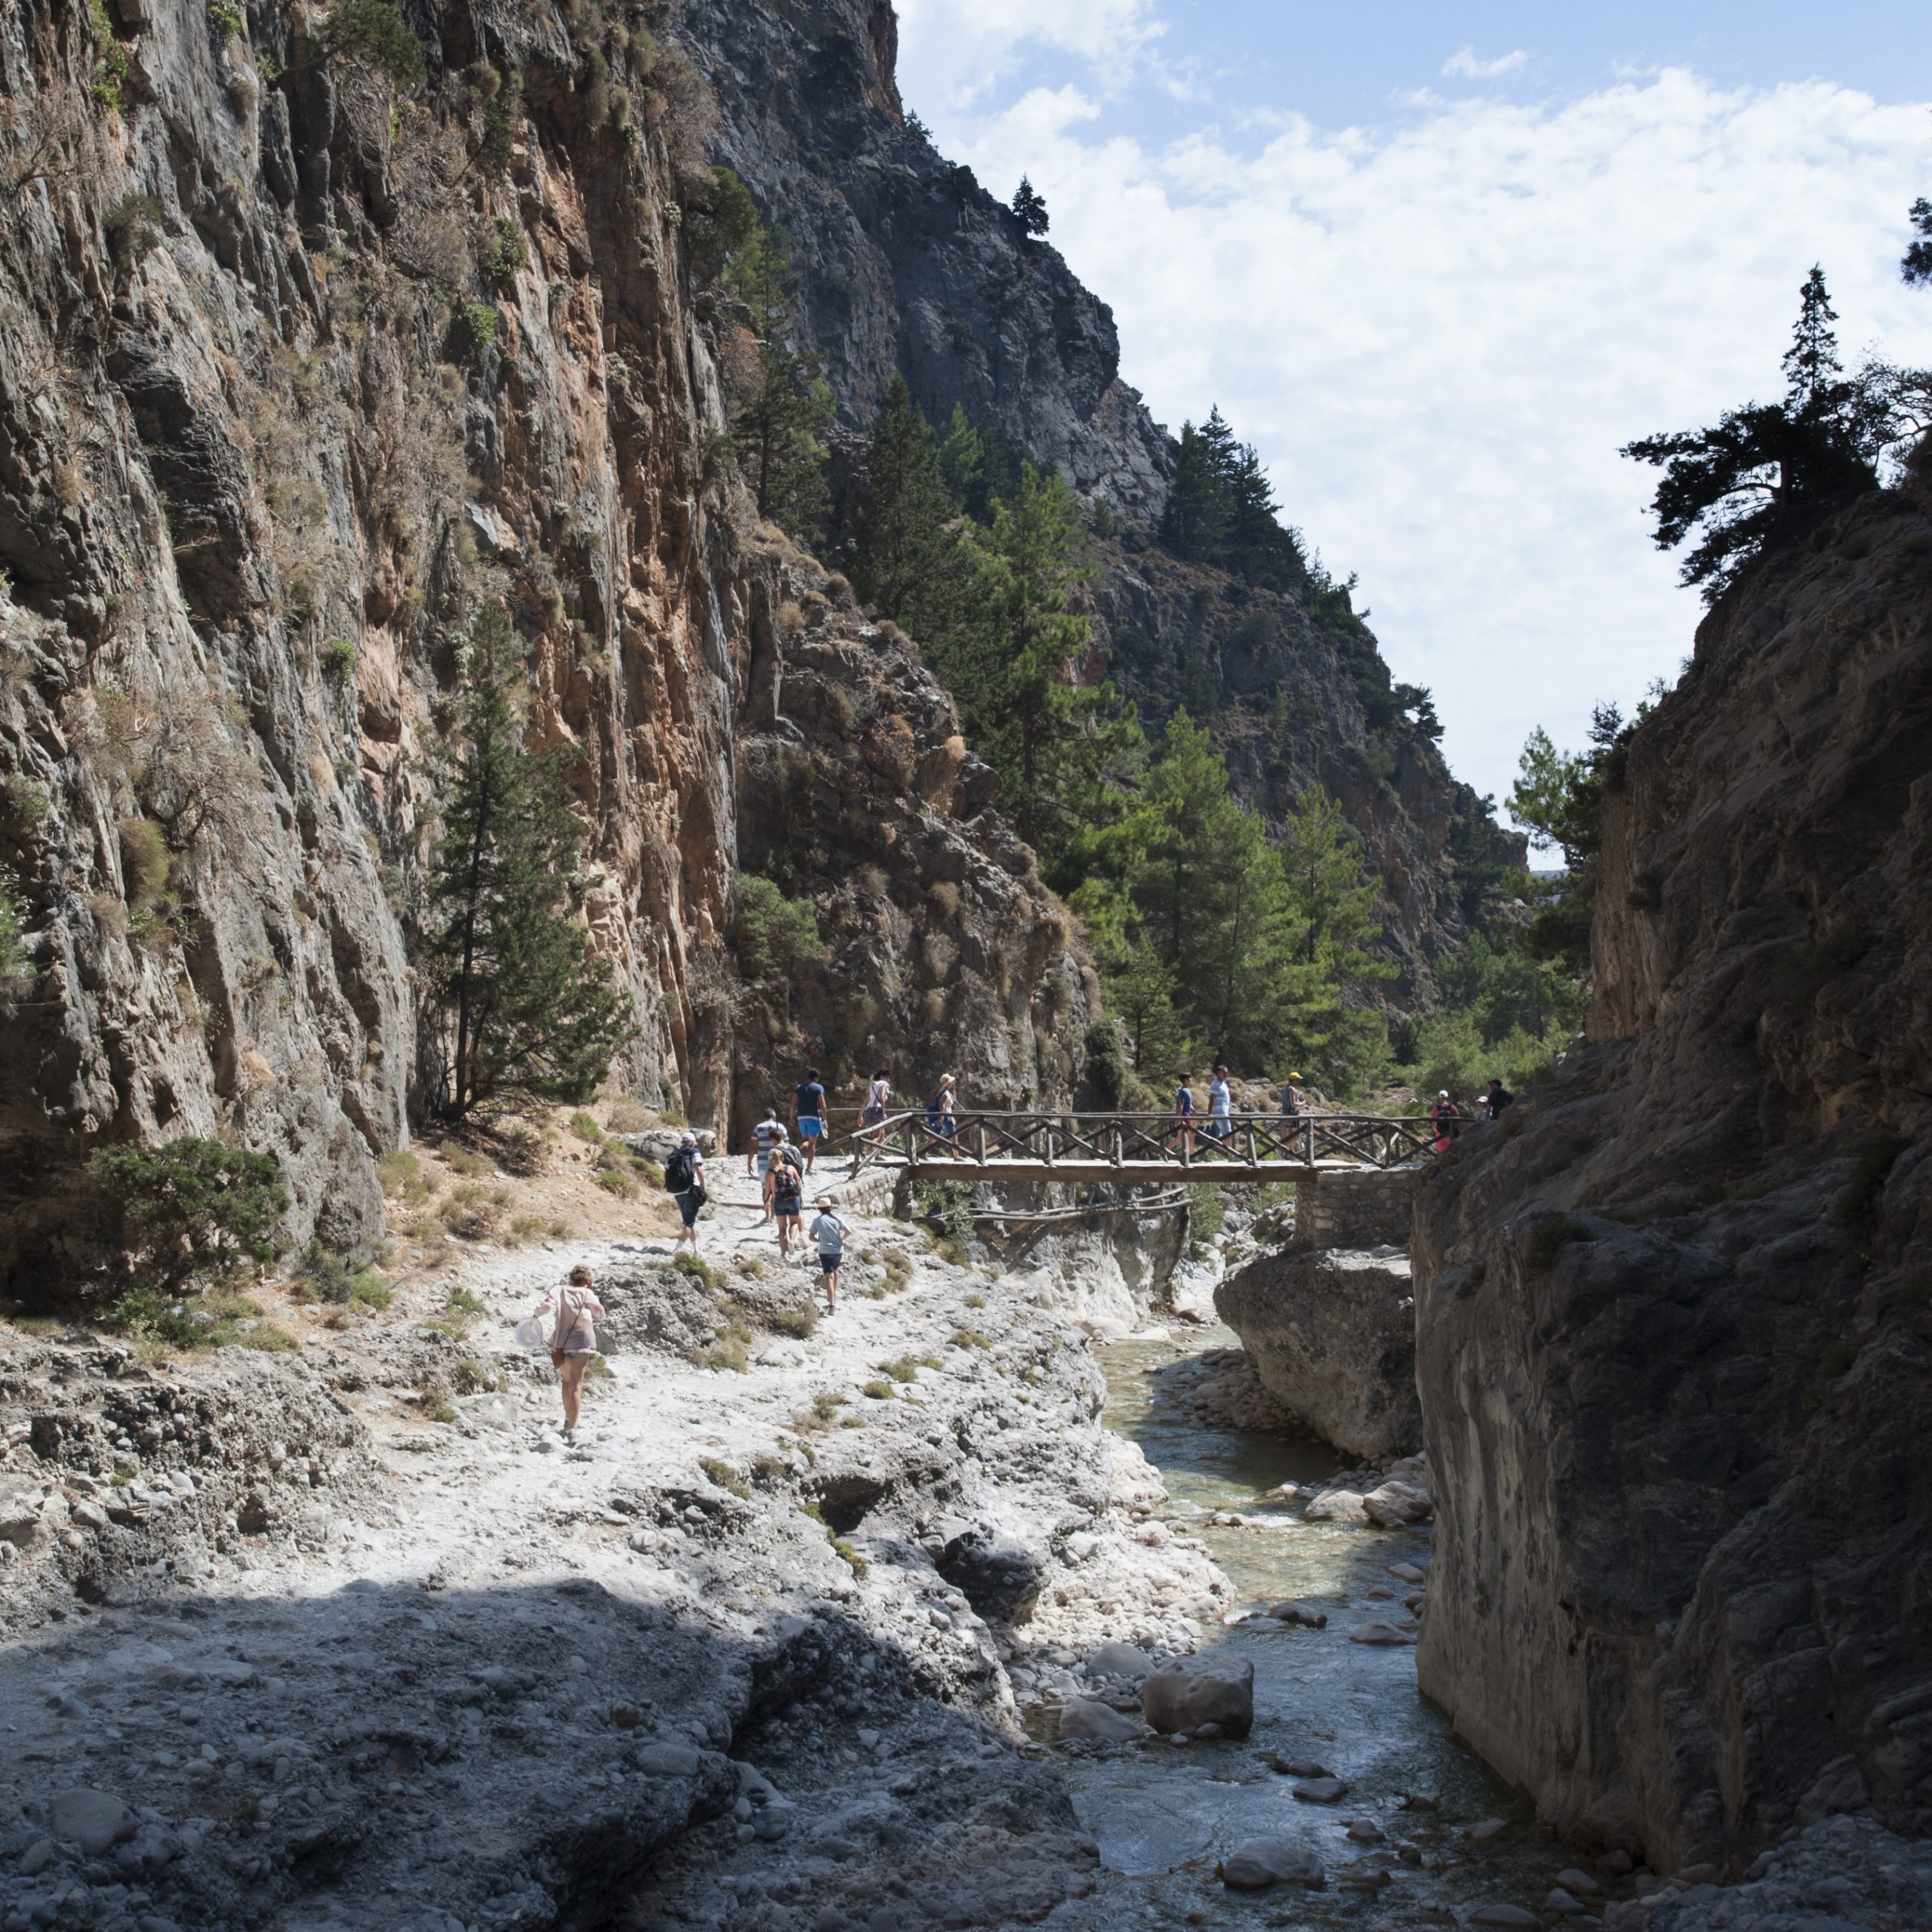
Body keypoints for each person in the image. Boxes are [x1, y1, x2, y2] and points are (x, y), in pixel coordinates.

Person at [531, 1263, 605, 1446]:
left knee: (566, 1382)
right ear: (587, 1281)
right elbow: (599, 1313)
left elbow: (545, 1306)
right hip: (582, 1341)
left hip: (561, 1343)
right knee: (576, 1386)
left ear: (572, 1278)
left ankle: (567, 1419)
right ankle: (572, 1429)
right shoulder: (588, 1293)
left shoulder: (558, 1290)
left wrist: (535, 1315)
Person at [664, 1131, 705, 1253]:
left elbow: (665, 1173)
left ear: (682, 1142)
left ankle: (696, 1250)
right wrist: (702, 1187)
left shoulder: (674, 1154)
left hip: (677, 1192)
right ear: (692, 1142)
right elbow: (699, 1169)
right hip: (690, 1191)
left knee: (689, 1221)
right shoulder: (694, 1152)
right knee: (689, 1225)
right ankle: (676, 1250)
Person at [808, 1196, 850, 1312]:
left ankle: (831, 1305)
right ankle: (833, 1297)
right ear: (830, 1208)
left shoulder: (817, 1221)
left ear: (820, 1209)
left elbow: (811, 1237)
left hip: (825, 1251)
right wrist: (841, 1239)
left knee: (828, 1276)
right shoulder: (837, 1219)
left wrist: (819, 1241)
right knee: (835, 1271)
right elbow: (848, 1231)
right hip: (838, 1250)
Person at [770, 1131, 805, 1258]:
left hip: (780, 1198)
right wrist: (798, 1191)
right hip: (793, 1192)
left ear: (773, 1139)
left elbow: (772, 1186)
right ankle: (797, 1237)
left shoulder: (774, 1151)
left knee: (781, 1229)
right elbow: (800, 1165)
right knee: (795, 1219)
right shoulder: (794, 1148)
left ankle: (783, 1253)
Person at [750, 1106, 784, 1220]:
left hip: (762, 1161)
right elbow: (785, 1145)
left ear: (764, 1117)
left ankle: (767, 1215)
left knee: (765, 1189)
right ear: (774, 1117)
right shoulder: (780, 1127)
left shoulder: (758, 1128)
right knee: (776, 1189)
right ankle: (774, 1215)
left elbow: (753, 1147)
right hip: (777, 1162)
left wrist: (749, 1162)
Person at [793, 1069, 828, 1173]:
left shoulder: (799, 1088)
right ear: (816, 1078)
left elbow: (793, 1103)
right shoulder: (818, 1088)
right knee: (812, 1144)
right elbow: (823, 1104)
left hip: (801, 1118)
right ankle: (808, 1168)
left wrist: (791, 1117)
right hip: (813, 1117)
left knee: (806, 1140)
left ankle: (796, 1154)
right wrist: (825, 1119)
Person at [926, 1072, 958, 1158]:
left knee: (935, 1135)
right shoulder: (946, 1093)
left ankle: (923, 1152)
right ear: (949, 1084)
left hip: (942, 1117)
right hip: (946, 1117)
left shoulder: (941, 1092)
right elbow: (942, 1106)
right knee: (954, 1135)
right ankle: (956, 1156)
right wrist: (942, 1118)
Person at [861, 1067, 892, 1149]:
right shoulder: (884, 1084)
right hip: (877, 1111)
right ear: (882, 1076)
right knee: (880, 1135)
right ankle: (866, 1149)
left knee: (877, 1134)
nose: (888, 1080)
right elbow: (882, 1098)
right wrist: (883, 1112)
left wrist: (860, 1116)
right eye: (887, 1077)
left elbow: (864, 1102)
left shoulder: (873, 1085)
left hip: (868, 1111)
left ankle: (877, 1154)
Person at [1205, 1063, 1232, 1143]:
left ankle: (1228, 1154)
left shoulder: (1223, 1083)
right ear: (1218, 1072)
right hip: (1220, 1114)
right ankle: (1231, 1155)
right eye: (1224, 1072)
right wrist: (1209, 1114)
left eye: (1226, 1073)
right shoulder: (1216, 1084)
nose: (1226, 1074)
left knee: (1220, 1136)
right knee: (1228, 1135)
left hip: (1223, 1113)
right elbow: (1211, 1099)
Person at [1430, 1090, 1462, 1154]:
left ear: (1439, 1098)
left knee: (1440, 1152)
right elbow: (1458, 1122)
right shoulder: (1453, 1108)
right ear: (1447, 1097)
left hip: (1440, 1133)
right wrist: (1460, 1132)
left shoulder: (1435, 1109)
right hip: (1451, 1133)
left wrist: (1437, 1132)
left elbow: (1433, 1124)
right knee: (1452, 1151)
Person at [1174, 1074, 1196, 1157]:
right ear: (1186, 1079)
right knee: (1192, 1135)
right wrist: (1178, 1119)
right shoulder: (1183, 1091)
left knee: (1179, 1138)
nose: (1191, 1079)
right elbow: (1181, 1105)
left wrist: (1194, 1112)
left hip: (1187, 1115)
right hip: (1185, 1116)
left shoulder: (1186, 1090)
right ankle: (1192, 1156)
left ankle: (1164, 1152)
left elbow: (1189, 1104)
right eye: (1190, 1078)